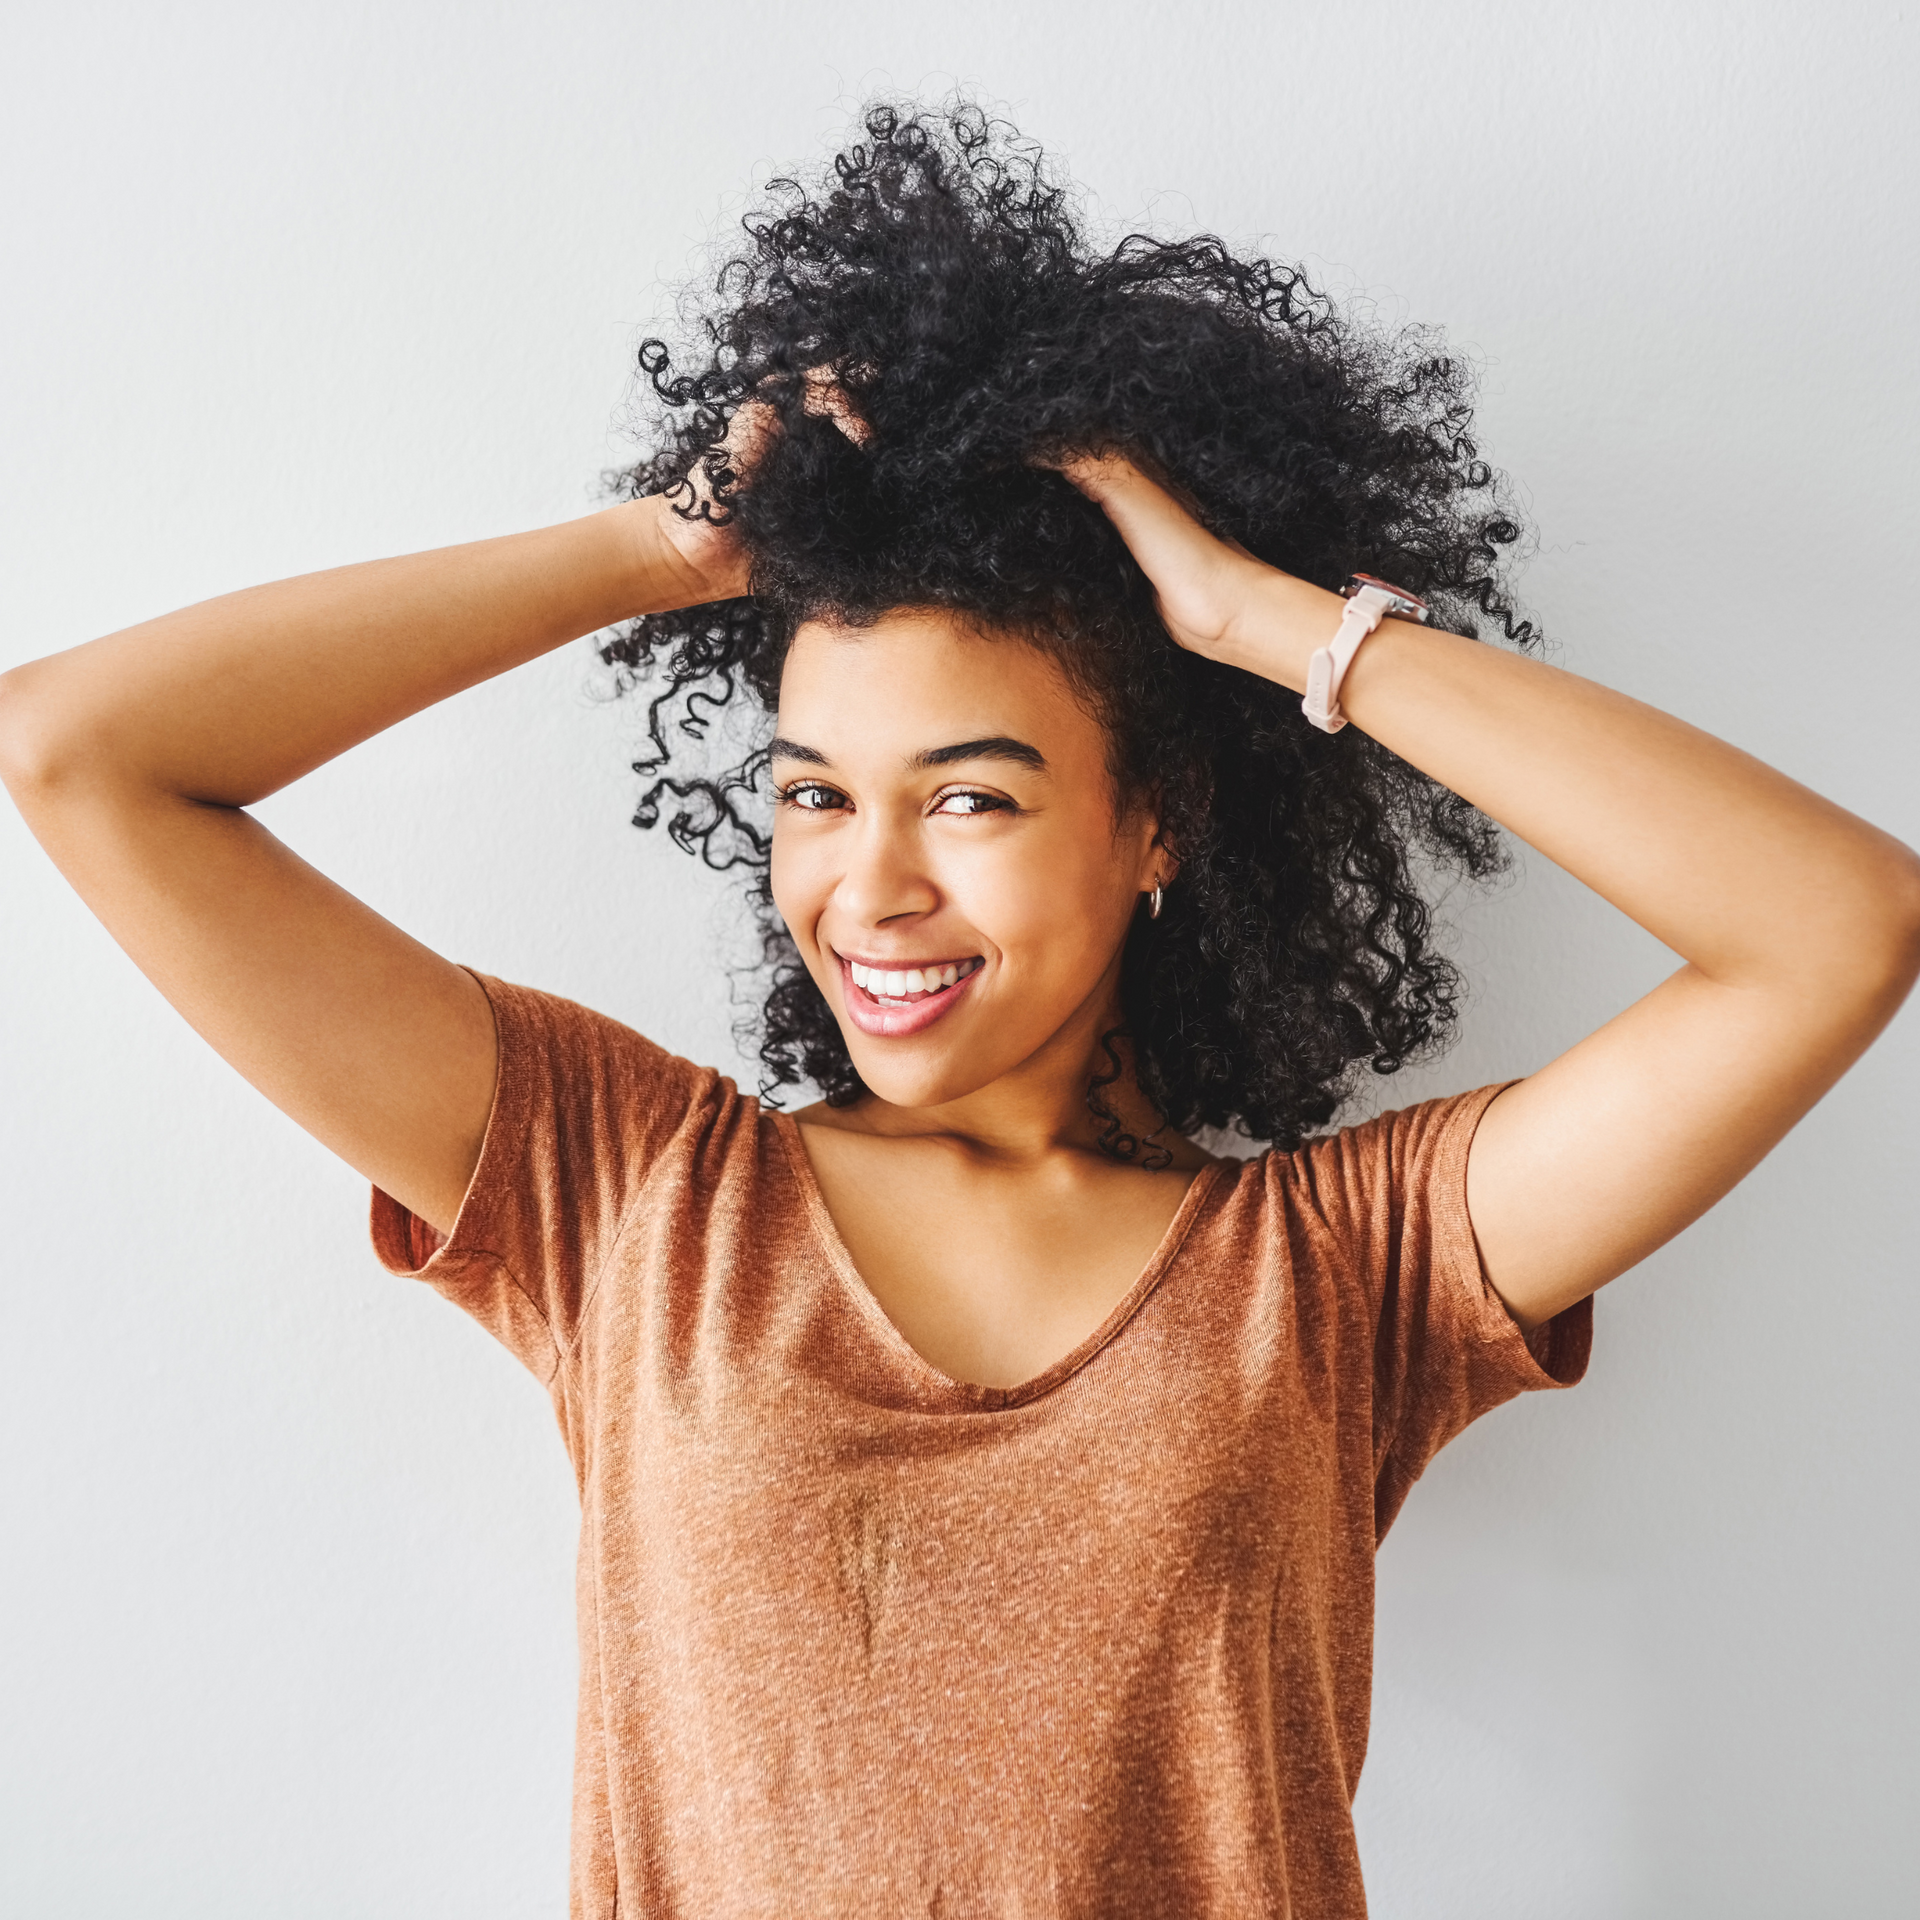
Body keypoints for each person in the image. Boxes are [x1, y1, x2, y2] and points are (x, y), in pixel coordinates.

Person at [2, 101, 1915, 1919]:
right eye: (817, 791)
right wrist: (668, 552)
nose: (874, 881)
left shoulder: (1341, 1274)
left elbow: (1838, 926)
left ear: (1153, 820)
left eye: (974, 796)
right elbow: (83, 755)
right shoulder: (633, 1198)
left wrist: (1268, 626)